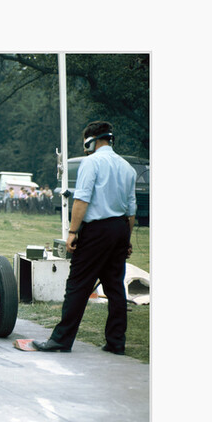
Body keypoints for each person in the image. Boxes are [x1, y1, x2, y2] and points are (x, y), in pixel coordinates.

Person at [34, 121, 137, 354]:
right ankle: (116, 342)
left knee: (78, 284)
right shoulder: (128, 168)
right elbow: (131, 210)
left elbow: (81, 200)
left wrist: (72, 232)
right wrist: (126, 240)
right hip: (120, 227)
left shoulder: (91, 163)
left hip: (97, 230)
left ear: (91, 141)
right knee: (115, 287)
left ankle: (61, 339)